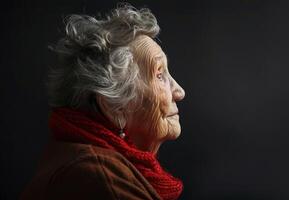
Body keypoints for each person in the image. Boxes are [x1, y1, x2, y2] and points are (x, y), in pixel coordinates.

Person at [20, 4, 185, 200]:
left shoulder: (85, 163)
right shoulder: (97, 179)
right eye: (159, 75)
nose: (180, 92)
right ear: (115, 107)